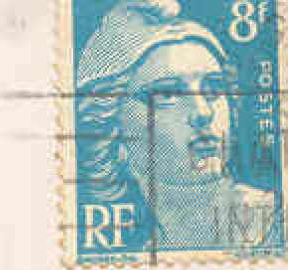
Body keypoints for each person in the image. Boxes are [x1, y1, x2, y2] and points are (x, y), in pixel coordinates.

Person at [74, 0, 284, 254]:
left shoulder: (274, 224)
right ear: (110, 128)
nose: (203, 113)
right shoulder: (137, 255)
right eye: (167, 94)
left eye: (214, 88)